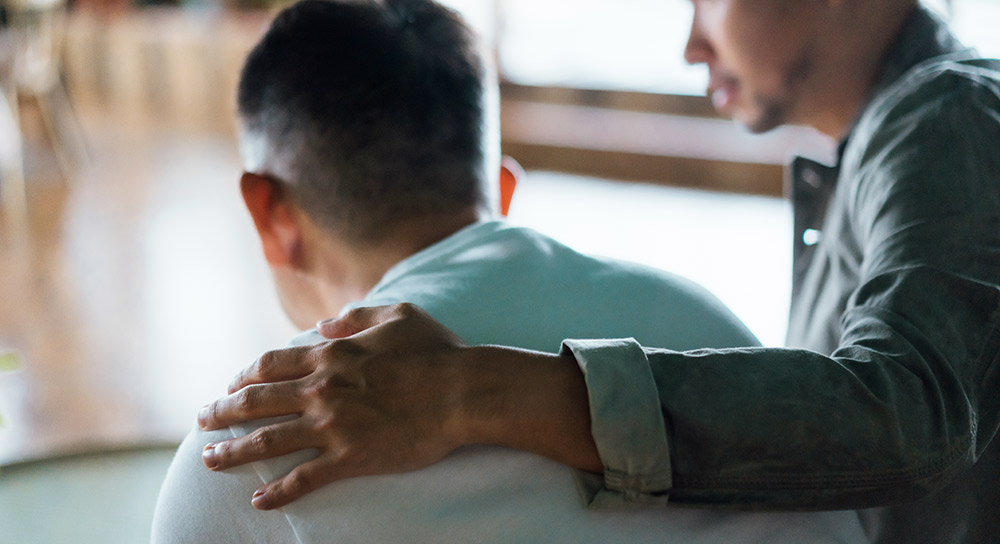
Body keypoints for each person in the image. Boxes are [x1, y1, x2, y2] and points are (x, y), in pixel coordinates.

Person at [196, 0, 1000, 542]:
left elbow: (912, 413)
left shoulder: (949, 114)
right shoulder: (891, 146)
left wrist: (465, 391)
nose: (691, 43)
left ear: (271, 213)